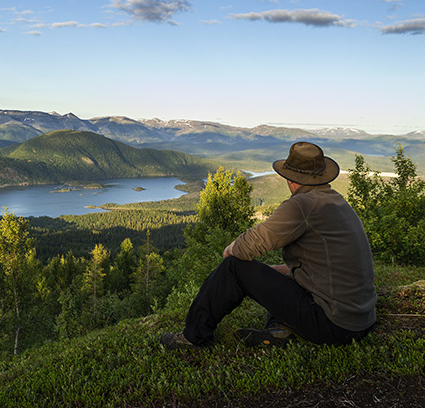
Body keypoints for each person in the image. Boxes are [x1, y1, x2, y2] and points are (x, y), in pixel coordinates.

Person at [161, 141, 377, 349]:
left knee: (234, 267)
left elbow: (248, 245)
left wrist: (230, 251)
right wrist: (273, 274)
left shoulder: (302, 204)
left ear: (290, 179)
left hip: (333, 324)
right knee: (278, 273)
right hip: (360, 321)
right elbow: (321, 267)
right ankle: (279, 329)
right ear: (321, 176)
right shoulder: (337, 201)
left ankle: (193, 337)